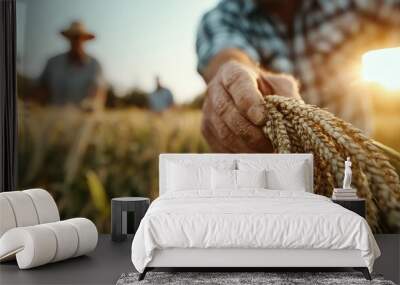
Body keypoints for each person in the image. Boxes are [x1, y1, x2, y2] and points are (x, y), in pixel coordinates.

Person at [196, 0, 400, 153]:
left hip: (354, 170)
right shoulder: (223, 17)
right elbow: (225, 53)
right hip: (277, 184)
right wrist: (232, 76)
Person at [36, 21, 106, 108]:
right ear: (68, 38)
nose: (76, 41)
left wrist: (91, 103)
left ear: (84, 39)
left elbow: (98, 90)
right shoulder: (52, 62)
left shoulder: (95, 64)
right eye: (73, 37)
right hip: (54, 114)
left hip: (84, 117)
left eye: (79, 37)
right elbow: (41, 88)